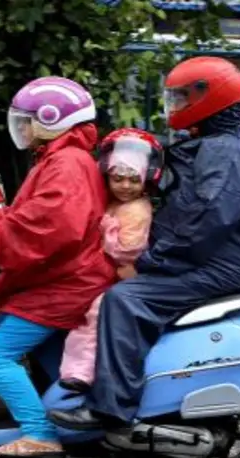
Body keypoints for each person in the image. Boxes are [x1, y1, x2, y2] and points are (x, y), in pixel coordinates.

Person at [49, 56, 240, 432]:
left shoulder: (224, 152)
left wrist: (150, 263)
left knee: (125, 300)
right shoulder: (213, 145)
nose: (175, 106)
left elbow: (206, 220)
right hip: (220, 256)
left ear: (208, 98)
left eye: (182, 97)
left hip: (226, 262)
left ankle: (110, 410)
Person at [0, 76, 114, 458]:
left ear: (52, 119)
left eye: (27, 120)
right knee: (55, 360)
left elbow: (48, 228)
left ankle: (39, 434)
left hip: (63, 283)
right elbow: (30, 214)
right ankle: (79, 428)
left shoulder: (66, 163)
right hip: (66, 276)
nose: (21, 128)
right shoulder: (59, 158)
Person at [58, 128, 163, 392]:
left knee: (93, 315)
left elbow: (126, 250)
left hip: (121, 276)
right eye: (118, 179)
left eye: (133, 180)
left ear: (147, 179)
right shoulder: (113, 202)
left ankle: (80, 374)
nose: (125, 186)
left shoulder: (137, 209)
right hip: (107, 271)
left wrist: (103, 228)